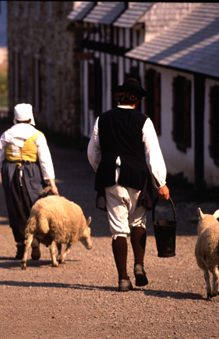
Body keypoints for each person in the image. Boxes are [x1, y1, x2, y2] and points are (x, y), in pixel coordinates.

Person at [87, 78, 170, 292]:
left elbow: (92, 152)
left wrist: (102, 169)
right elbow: (153, 153)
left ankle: (123, 279)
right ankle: (139, 265)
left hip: (111, 180)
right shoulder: (144, 121)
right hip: (137, 178)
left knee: (118, 229)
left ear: (118, 97)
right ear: (137, 100)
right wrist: (161, 182)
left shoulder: (102, 119)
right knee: (138, 221)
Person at [0, 103, 59, 259]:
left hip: (10, 173)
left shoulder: (6, 134)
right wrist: (52, 182)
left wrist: (5, 171)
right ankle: (35, 237)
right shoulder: (37, 135)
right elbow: (45, 161)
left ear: (15, 118)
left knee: (15, 207)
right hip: (33, 173)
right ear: (31, 117)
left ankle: (21, 246)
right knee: (35, 206)